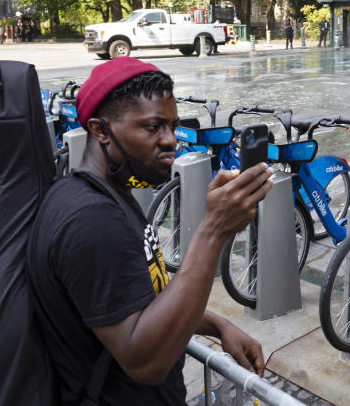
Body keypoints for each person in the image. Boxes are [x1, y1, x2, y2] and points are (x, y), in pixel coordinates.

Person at [27, 58, 272, 405]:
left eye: (172, 125)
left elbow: (138, 298)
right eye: (153, 127)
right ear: (100, 130)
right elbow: (145, 363)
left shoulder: (101, 195)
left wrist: (218, 326)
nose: (170, 140)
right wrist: (214, 229)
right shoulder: (91, 221)